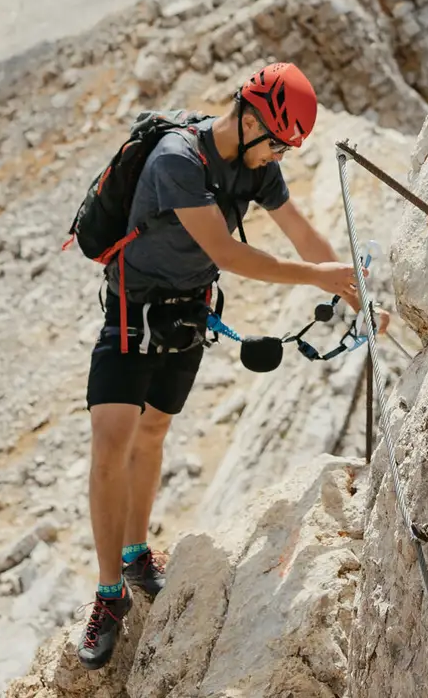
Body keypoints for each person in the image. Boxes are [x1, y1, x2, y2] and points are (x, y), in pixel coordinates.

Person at [76, 62, 361, 670]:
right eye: (279, 141)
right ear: (253, 117)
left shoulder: (255, 164)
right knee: (112, 444)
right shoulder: (178, 160)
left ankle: (135, 555)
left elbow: (302, 234)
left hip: (188, 314)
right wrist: (322, 278)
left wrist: (355, 290)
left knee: (152, 432)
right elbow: (227, 252)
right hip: (132, 310)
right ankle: (107, 598)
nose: (280, 155)